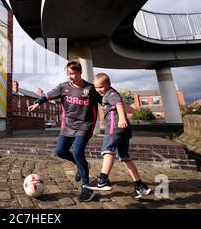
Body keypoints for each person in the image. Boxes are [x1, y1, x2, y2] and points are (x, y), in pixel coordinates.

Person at [28, 61, 101, 202]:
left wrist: (117, 111)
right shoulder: (63, 87)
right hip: (67, 126)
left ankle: (86, 187)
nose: (70, 76)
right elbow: (48, 95)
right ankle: (81, 165)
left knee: (78, 151)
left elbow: (105, 100)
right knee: (60, 151)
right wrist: (38, 103)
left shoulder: (90, 89)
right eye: (68, 74)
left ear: (80, 72)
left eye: (72, 73)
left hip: (84, 125)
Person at [85, 73, 152, 199]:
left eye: (101, 87)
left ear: (108, 85)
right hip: (124, 130)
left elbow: (119, 104)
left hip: (115, 125)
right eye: (96, 87)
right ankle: (140, 186)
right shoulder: (105, 94)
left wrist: (121, 118)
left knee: (108, 149)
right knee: (125, 157)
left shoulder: (111, 93)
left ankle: (102, 180)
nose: (99, 90)